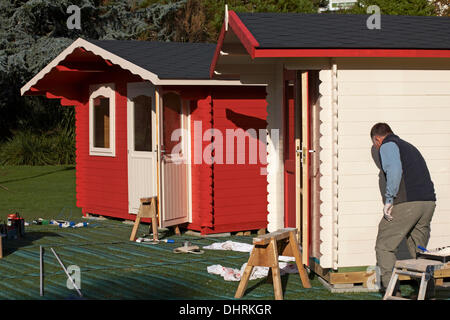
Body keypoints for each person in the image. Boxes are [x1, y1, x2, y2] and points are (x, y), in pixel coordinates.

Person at [370, 123, 436, 295]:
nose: (377, 149)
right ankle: (426, 293)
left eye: (375, 144)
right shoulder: (408, 146)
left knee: (384, 245)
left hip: (409, 203)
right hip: (428, 203)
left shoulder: (387, 145)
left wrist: (389, 200)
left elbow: (394, 170)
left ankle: (392, 293)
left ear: (377, 139)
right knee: (419, 249)